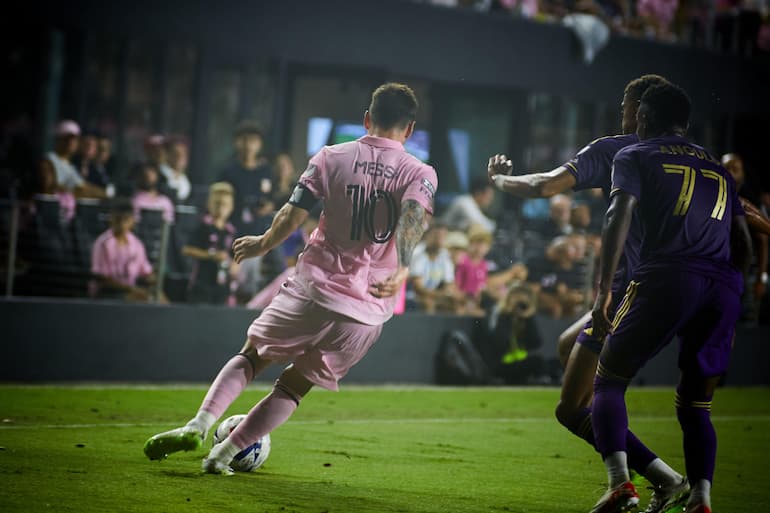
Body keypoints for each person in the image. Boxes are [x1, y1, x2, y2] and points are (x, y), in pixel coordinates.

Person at [142, 82, 438, 474]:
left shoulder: (332, 156)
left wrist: (263, 243)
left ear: (367, 118)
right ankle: (222, 456)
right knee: (293, 387)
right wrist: (402, 267)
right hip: (366, 312)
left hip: (314, 289)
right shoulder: (420, 171)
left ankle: (199, 424)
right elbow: (413, 220)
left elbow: (294, 211)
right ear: (410, 129)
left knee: (252, 355)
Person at [488, 74, 687, 513]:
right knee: (566, 349)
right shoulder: (692, 159)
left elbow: (544, 186)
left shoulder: (617, 149)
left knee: (571, 406)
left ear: (641, 110)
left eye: (626, 105)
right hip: (676, 293)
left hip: (626, 294)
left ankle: (632, 482)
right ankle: (663, 478)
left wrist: (501, 181)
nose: (622, 113)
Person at [588, 82, 752, 513]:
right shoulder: (718, 168)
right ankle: (701, 496)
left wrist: (603, 290)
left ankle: (620, 483)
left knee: (608, 378)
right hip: (723, 286)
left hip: (668, 275)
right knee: (696, 403)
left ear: (644, 118)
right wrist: (734, 307)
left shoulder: (635, 154)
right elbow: (743, 243)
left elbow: (617, 214)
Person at [721, 153, 769, 312]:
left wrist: (761, 278)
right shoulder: (713, 191)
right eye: (727, 168)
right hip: (718, 272)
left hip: (745, 273)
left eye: (736, 169)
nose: (731, 172)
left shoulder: (749, 200)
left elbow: (762, 242)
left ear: (743, 174)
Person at [90, 198, 156, 301]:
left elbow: (146, 271)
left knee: (159, 297)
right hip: (107, 294)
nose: (121, 224)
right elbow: (102, 279)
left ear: (132, 220)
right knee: (144, 299)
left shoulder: (137, 244)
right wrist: (131, 289)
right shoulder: (103, 243)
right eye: (118, 219)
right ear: (111, 219)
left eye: (125, 219)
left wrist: (153, 281)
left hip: (130, 290)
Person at [183, 183, 237, 305]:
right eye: (217, 203)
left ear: (231, 207)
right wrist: (210, 255)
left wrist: (235, 264)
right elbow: (187, 249)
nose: (221, 208)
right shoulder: (203, 226)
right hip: (202, 284)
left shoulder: (231, 231)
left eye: (225, 205)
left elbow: (235, 255)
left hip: (223, 286)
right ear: (209, 204)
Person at [218, 120, 274, 233]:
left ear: (260, 144)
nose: (248, 145)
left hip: (261, 229)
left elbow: (271, 197)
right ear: (236, 142)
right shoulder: (228, 171)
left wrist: (268, 206)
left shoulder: (265, 171)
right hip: (232, 229)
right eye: (244, 140)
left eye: (253, 140)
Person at [409, 222, 462, 314]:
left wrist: (448, 295)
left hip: (434, 294)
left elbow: (449, 283)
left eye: (443, 236)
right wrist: (441, 295)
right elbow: (418, 288)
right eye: (436, 235)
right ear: (427, 236)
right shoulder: (418, 253)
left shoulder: (445, 256)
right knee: (428, 303)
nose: (440, 239)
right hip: (413, 295)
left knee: (457, 303)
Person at [44, 120, 105, 198]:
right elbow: (48, 187)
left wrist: (106, 194)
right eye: (66, 139)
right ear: (58, 139)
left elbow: (83, 187)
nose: (70, 142)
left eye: (74, 139)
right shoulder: (49, 161)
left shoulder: (70, 165)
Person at [161, 137, 192, 203]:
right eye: (176, 154)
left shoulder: (185, 179)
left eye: (183, 154)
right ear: (167, 155)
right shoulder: (159, 176)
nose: (180, 157)